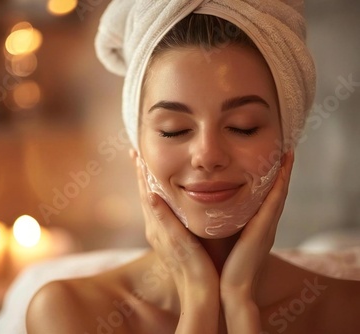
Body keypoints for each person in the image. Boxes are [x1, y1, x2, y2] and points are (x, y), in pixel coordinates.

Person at [26, 1, 360, 333]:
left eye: (244, 126)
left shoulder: (346, 310)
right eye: (174, 129)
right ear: (137, 147)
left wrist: (238, 301)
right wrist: (200, 299)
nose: (208, 155)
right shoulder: (70, 312)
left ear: (287, 141)